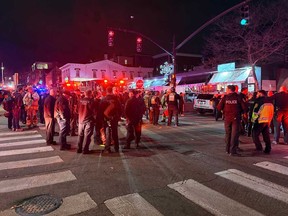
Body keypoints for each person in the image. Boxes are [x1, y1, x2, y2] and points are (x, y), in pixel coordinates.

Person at [217, 85, 246, 156]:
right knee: (234, 135)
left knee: (228, 134)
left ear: (229, 90)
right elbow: (244, 107)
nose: (226, 90)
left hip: (227, 118)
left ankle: (227, 149)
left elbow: (218, 107)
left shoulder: (225, 97)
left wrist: (223, 111)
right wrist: (241, 112)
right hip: (236, 118)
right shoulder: (238, 97)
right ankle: (233, 151)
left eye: (226, 89)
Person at [99, 86, 122, 153]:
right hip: (114, 118)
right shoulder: (116, 99)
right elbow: (120, 108)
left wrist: (101, 119)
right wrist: (118, 117)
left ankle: (107, 148)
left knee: (107, 133)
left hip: (106, 118)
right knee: (115, 132)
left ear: (106, 91)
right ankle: (116, 148)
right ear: (111, 91)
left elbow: (100, 110)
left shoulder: (103, 99)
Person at [77, 90, 98, 154]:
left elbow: (76, 110)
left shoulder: (80, 100)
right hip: (88, 120)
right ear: (90, 94)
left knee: (80, 135)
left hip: (81, 120)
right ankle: (85, 150)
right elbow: (94, 111)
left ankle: (79, 149)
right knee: (87, 136)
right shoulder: (91, 101)